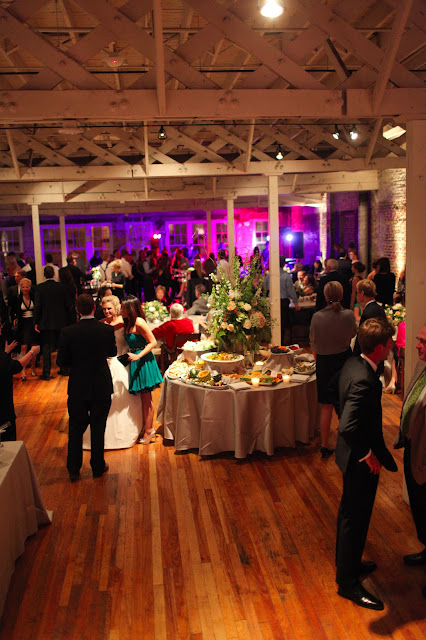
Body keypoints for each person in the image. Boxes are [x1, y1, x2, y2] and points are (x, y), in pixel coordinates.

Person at [335, 318, 397, 611]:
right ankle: (347, 583)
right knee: (355, 518)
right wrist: (367, 454)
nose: (392, 346)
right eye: (390, 342)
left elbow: (338, 401)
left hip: (348, 456)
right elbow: (347, 426)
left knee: (350, 515)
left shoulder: (353, 363)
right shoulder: (365, 379)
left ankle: (348, 564)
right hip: (358, 461)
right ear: (379, 348)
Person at [57, 294, 117, 481]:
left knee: (75, 427)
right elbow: (112, 352)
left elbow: (61, 361)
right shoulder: (106, 330)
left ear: (77, 310)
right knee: (98, 427)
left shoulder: (68, 332)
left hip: (78, 385)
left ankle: (74, 469)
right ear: (94, 308)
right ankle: (97, 467)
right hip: (101, 384)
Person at [82, 295, 141, 450]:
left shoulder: (124, 321)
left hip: (122, 361)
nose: (106, 311)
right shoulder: (101, 323)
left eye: (109, 308)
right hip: (105, 362)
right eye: (104, 309)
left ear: (116, 308)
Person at [394, 324, 426, 591]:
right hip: (412, 449)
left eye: (423, 341)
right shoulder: (420, 367)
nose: (417, 345)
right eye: (418, 340)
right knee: (419, 507)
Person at [310, 281, 356, 457]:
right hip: (344, 361)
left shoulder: (317, 317)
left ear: (325, 296)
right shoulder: (349, 315)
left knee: (326, 406)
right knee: (345, 404)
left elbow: (313, 342)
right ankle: (347, 445)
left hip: (324, 363)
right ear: (342, 295)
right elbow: (353, 334)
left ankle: (324, 445)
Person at [121, 296, 163, 444]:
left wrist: (139, 356)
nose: (121, 310)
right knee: (142, 398)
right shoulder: (127, 321)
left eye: (123, 308)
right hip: (135, 360)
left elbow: (153, 342)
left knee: (146, 398)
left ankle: (149, 431)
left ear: (131, 308)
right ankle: (146, 427)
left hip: (143, 361)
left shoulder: (139, 322)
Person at [0, 331, 40, 441]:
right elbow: (15, 366)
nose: (1, 328)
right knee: (7, 440)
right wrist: (32, 352)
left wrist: (5, 352)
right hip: (3, 408)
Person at [34, 265, 72, 380]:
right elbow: (68, 305)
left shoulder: (39, 288)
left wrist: (36, 322)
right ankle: (64, 369)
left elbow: (37, 306)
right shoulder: (62, 287)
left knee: (46, 348)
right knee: (62, 346)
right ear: (54, 274)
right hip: (61, 321)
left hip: (45, 322)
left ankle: (46, 372)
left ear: (44, 275)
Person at [264, 260, 299, 345]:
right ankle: (281, 343)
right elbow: (290, 291)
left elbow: (265, 287)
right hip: (283, 301)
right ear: (283, 264)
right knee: (282, 323)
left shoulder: (269, 275)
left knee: (272, 322)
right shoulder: (286, 276)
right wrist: (296, 303)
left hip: (271, 301)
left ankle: (272, 342)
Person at [9, 277, 38, 380]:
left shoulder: (34, 296)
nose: (25, 289)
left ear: (30, 287)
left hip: (33, 324)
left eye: (27, 287)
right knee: (23, 347)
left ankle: (33, 368)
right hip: (23, 325)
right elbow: (13, 311)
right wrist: (14, 319)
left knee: (34, 347)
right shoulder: (17, 298)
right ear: (20, 287)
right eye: (23, 287)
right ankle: (23, 370)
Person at [352, 279, 386, 357]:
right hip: (379, 353)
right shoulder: (380, 309)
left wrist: (355, 356)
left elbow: (362, 338)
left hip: (369, 355)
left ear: (362, 293)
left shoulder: (367, 313)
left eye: (357, 292)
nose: (357, 295)